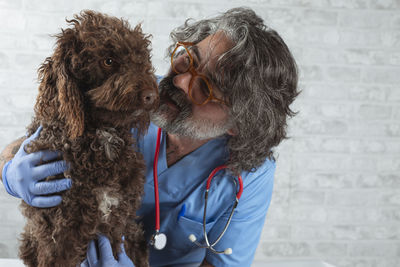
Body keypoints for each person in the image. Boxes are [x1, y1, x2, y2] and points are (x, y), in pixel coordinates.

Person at [0, 7, 298, 267]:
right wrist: (9, 172)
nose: (179, 82)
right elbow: (30, 143)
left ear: (238, 124)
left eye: (205, 88)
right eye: (187, 59)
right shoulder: (131, 97)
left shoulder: (250, 176)